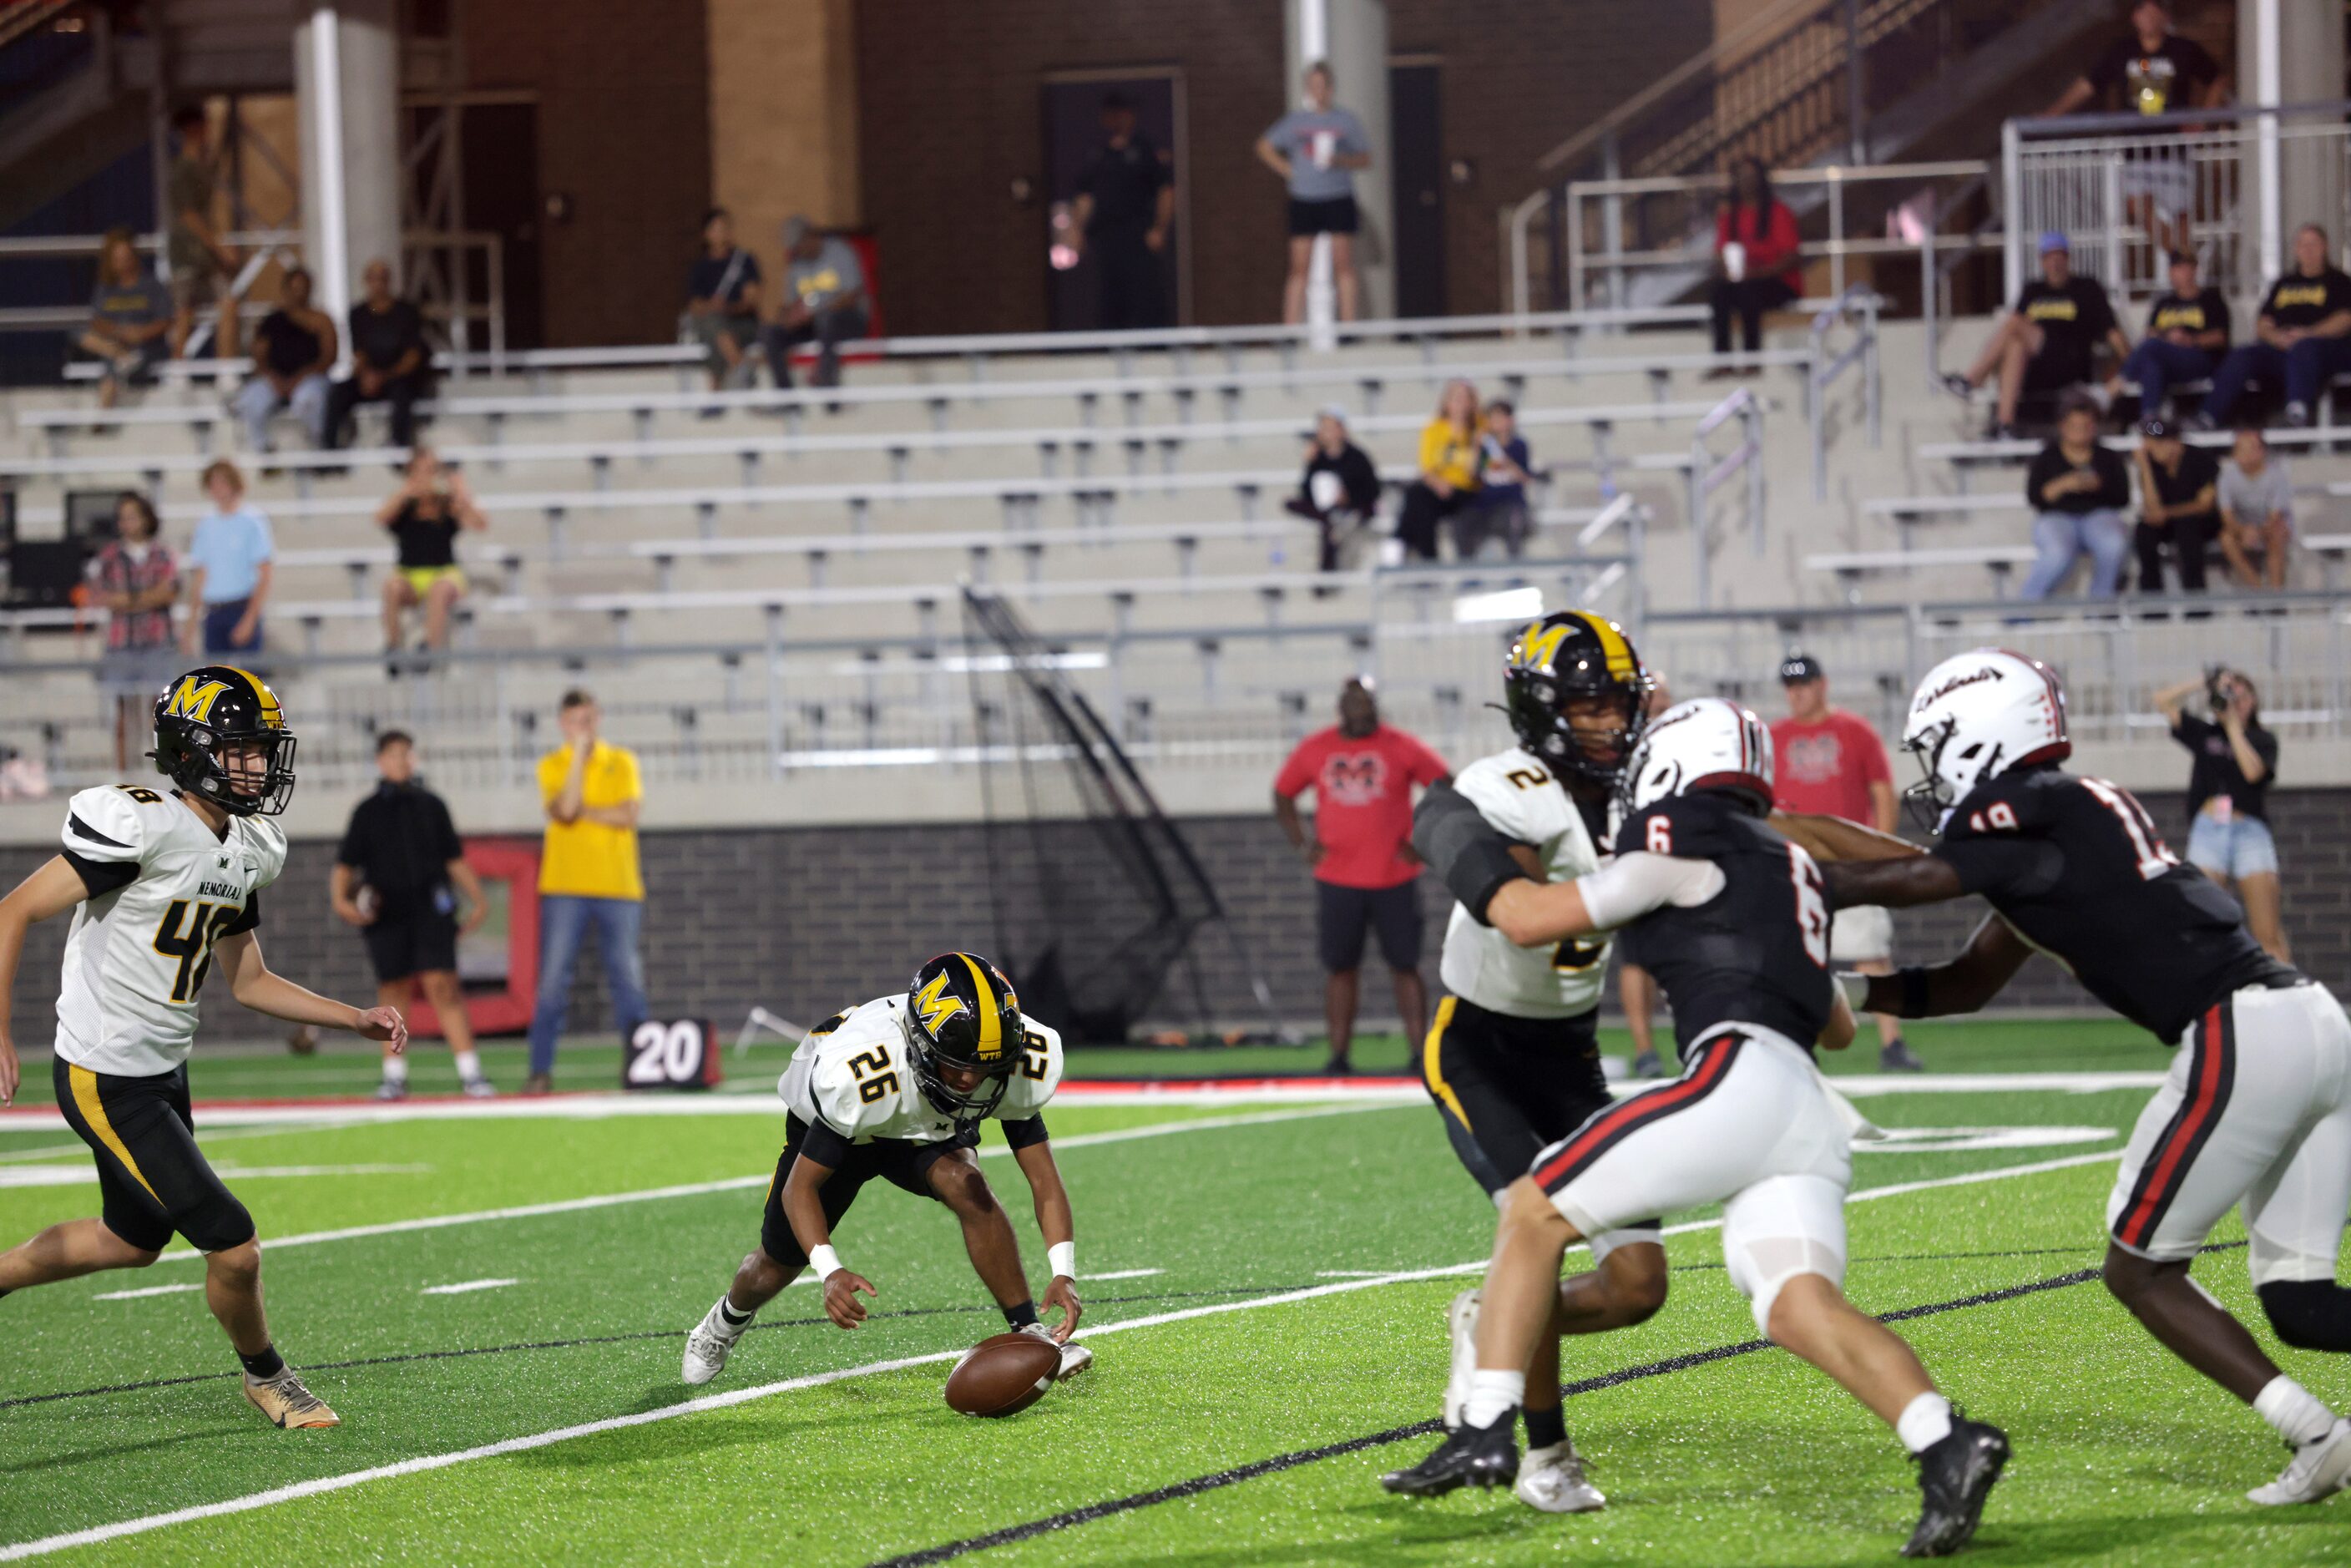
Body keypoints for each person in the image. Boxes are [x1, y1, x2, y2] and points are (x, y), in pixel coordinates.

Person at [1388, 698, 2010, 1556]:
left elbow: (1528, 918)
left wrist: (1443, 820)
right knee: (1797, 1305)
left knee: (1533, 1209)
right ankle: (1942, 1440)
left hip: (1736, 1079)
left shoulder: (1677, 842)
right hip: (1808, 1113)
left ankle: (1486, 1423)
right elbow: (1834, 1023)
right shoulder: (1784, 864)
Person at [1798, 649, 2351, 1510]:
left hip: (2245, 1030)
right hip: (2312, 1022)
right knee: (2303, 1306)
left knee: (2138, 1270)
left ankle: (2316, 1434)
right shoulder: (2053, 826)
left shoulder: (2030, 811)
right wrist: (1842, 989)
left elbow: (1906, 878)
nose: (1928, 771)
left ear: (1977, 736)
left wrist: (1750, 880)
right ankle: (2318, 1434)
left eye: (1935, 745)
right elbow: (1963, 984)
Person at [0, 666, 407, 1430]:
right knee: (236, 1245)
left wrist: (351, 1018)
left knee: (130, 1241)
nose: (258, 765)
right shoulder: (140, 823)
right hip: (104, 1072)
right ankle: (268, 1376)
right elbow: (12, 910)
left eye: (261, 750)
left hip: (160, 1069)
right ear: (190, 750)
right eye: (241, 749)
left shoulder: (245, 844)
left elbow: (247, 978)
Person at [1408, 610, 1670, 1515]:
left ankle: (1493, 1321)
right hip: (1477, 1045)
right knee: (1540, 1226)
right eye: (1586, 706)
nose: (1606, 723)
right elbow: (1438, 813)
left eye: (1616, 705)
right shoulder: (1518, 784)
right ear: (1543, 711)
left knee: (1639, 1286)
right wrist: (1504, 889)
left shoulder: (1647, 786)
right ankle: (1548, 1454)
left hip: (1568, 1055)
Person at [680, 952, 1090, 1387]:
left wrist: (1063, 1270)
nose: (971, 1082)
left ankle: (1029, 1330)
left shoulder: (1018, 1056)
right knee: (775, 1266)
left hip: (919, 1121)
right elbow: (799, 1189)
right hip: (848, 1125)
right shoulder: (858, 1072)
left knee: (969, 1187)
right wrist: (831, 1272)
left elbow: (1043, 1178)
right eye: (958, 1065)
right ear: (920, 1042)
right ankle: (723, 1324)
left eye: (986, 1067)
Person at [1272, 678, 1449, 1074]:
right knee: (1340, 967)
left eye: (1365, 703)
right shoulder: (1316, 748)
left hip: (1395, 876)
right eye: (1351, 703)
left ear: (1374, 707)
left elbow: (1447, 786)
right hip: (1337, 878)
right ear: (1340, 708)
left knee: (1405, 965)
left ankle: (1421, 1055)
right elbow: (1283, 794)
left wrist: (1423, 841)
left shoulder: (1401, 745)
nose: (1358, 709)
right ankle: (1338, 1056)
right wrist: (1303, 844)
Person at [1771, 654, 1921, 1072]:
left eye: (1803, 684)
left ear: (1823, 685)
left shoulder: (1854, 730)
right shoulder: (1774, 736)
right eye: (1789, 685)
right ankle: (1795, 1043)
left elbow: (1882, 791)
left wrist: (1880, 849)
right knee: (1790, 956)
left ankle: (1892, 1042)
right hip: (1795, 862)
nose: (1796, 693)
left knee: (1870, 952)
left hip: (1848, 861)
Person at [332, 731, 492, 1100]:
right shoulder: (367, 811)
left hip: (430, 909)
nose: (401, 761)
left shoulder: (432, 805)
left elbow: (454, 857)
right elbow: (345, 866)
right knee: (392, 990)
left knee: (443, 985)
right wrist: (340, 900)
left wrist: (478, 898)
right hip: (387, 913)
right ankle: (394, 1076)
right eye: (393, 755)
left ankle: (472, 1074)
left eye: (407, 754)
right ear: (380, 761)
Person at [524, 690, 646, 1095]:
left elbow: (627, 815)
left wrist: (584, 813)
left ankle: (641, 1067)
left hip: (619, 886)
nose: (584, 728)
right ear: (563, 724)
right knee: (553, 980)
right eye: (576, 721)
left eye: (589, 720)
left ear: (599, 719)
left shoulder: (622, 760)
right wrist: (577, 756)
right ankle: (540, 1071)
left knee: (627, 978)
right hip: (565, 887)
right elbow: (565, 809)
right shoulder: (552, 765)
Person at [2042, 1, 2224, 260]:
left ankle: (2183, 268)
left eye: (2154, 12)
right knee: (2138, 208)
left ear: (2164, 16)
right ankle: (2182, 261)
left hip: (2173, 147)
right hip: (2137, 148)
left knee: (2181, 215)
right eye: (2143, 12)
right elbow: (2088, 85)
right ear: (2135, 17)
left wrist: (2204, 120)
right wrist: (2052, 114)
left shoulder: (2184, 50)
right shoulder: (2122, 51)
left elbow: (2216, 78)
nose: (2149, 18)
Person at [2156, 670, 2288, 963]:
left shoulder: (2262, 739)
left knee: (2267, 931)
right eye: (2231, 696)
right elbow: (2162, 700)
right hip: (2209, 831)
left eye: (2243, 696)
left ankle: (2286, 997)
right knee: (2206, 921)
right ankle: (2214, 1002)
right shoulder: (2205, 733)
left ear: (2254, 700)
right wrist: (2204, 682)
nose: (2237, 702)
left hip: (2249, 831)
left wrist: (2233, 727)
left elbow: (2253, 772)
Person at [1944, 234, 2129, 439]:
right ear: (2042, 261)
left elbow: (2112, 331)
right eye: (2050, 258)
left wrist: (2130, 362)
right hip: (2038, 365)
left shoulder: (2087, 288)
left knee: (2014, 323)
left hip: (2071, 359)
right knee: (2015, 345)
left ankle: (1972, 380)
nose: (2055, 263)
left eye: (2060, 257)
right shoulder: (2033, 290)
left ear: (2068, 259)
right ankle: (2005, 425)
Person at [2196, 225, 2351, 430]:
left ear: (2325, 247)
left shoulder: (2339, 281)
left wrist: (2307, 334)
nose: (2308, 249)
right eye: (2303, 244)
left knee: (2305, 347)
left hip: (2324, 351)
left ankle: (2297, 411)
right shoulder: (2284, 283)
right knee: (2244, 354)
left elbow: (2345, 319)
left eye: (2313, 244)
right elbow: (2263, 323)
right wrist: (2275, 337)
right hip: (2282, 349)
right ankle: (2208, 416)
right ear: (2296, 249)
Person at [1256, 60, 1372, 326]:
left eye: (1322, 86)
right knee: (1298, 268)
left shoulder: (1345, 121)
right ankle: (1291, 330)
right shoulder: (1296, 122)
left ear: (1330, 89)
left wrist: (1339, 160)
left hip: (1337, 196)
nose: (1318, 91)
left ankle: (1348, 327)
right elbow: (1264, 146)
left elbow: (1365, 158)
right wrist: (1287, 168)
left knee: (1343, 264)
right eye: (1313, 86)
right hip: (1304, 198)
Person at [86, 493, 180, 771]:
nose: (127, 523)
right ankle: (124, 772)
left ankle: (162, 770)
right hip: (122, 642)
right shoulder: (110, 557)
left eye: (132, 516)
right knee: (123, 711)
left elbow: (169, 592)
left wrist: (128, 599)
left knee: (158, 709)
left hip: (156, 640)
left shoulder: (163, 554)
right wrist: (145, 597)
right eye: (123, 518)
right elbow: (103, 596)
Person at [1069, 92, 1174, 331]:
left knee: (1146, 295)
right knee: (1109, 297)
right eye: (1113, 114)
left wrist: (1160, 228)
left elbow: (1165, 191)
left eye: (1124, 113)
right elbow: (1086, 196)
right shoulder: (1097, 153)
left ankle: (1152, 350)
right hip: (1106, 236)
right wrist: (1077, 230)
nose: (1119, 119)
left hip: (1139, 234)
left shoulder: (1146, 149)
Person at [2020, 395, 2132, 600]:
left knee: (2113, 543)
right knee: (2057, 552)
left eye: (2086, 425)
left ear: (2094, 427)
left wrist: (2099, 487)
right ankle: (2023, 608)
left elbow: (2123, 498)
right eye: (2074, 425)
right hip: (2057, 518)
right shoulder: (2047, 457)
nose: (2080, 431)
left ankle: (2100, 606)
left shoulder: (2107, 457)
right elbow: (2034, 497)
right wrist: (2063, 484)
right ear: (2062, 426)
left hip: (2098, 517)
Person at [377, 448, 487, 655]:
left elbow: (480, 524)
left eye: (431, 470)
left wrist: (461, 493)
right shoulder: (404, 506)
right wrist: (406, 492)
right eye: (421, 470)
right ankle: (393, 646)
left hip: (445, 572)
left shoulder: (447, 505)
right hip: (409, 574)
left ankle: (429, 648)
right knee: (391, 586)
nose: (427, 476)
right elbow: (380, 519)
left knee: (439, 589)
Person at [1620, 671, 1674, 1080]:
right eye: (1650, 709)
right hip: (1634, 855)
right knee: (1636, 955)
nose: (1656, 717)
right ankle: (1644, 1049)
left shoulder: (1683, 745)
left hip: (1678, 855)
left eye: (1662, 709)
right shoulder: (1620, 750)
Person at [326, 259, 431, 451]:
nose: (378, 284)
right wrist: (366, 376)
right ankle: (330, 449)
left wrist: (385, 376)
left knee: (403, 394)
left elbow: (413, 355)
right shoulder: (359, 314)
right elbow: (359, 352)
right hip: (370, 377)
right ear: (366, 281)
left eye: (382, 279)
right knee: (338, 391)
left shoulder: (406, 312)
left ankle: (400, 446)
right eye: (373, 279)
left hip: (399, 377)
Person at [230, 267, 336, 453]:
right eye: (294, 288)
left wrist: (301, 377)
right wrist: (274, 378)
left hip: (310, 379)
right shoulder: (272, 321)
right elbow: (259, 357)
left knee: (308, 400)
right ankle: (263, 450)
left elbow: (329, 357)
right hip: (276, 379)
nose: (299, 293)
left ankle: (315, 447)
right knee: (251, 400)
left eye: (303, 288)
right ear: (285, 289)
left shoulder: (322, 320)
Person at [1708, 157, 1802, 368]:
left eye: (1751, 176)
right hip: (1743, 283)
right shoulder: (1729, 216)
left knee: (1749, 292)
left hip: (1778, 284)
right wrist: (1726, 272)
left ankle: (1752, 360)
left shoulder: (1779, 212)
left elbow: (1791, 256)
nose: (1747, 182)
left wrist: (1757, 273)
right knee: (1719, 293)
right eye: (1741, 177)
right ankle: (1723, 363)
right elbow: (1720, 254)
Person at [2116, 250, 2231, 418]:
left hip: (2199, 358)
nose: (2179, 272)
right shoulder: (2164, 302)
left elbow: (2220, 337)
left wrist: (2189, 339)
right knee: (2151, 365)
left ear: (2194, 269)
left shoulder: (2210, 299)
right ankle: (2151, 423)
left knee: (2152, 348)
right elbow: (2150, 333)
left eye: (2184, 267)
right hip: (2167, 358)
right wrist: (2168, 337)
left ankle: (2117, 383)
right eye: (2175, 268)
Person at [763, 216, 869, 392]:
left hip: (848, 320)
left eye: (799, 245)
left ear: (810, 236)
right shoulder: (796, 266)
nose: (797, 251)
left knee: (826, 319)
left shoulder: (840, 251)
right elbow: (790, 304)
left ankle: (827, 384)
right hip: (812, 323)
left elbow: (851, 296)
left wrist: (814, 313)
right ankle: (786, 398)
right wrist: (788, 318)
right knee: (770, 333)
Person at [165, 106, 238, 360]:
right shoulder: (182, 169)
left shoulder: (200, 165)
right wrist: (219, 247)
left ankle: (226, 366)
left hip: (205, 250)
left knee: (227, 301)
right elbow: (189, 216)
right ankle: (178, 367)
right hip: (188, 249)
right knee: (185, 309)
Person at [181, 460, 274, 658]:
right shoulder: (205, 525)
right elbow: (200, 576)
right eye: (213, 483)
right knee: (217, 683)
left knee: (246, 683)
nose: (217, 488)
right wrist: (190, 625)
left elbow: (264, 574)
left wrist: (250, 618)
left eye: (222, 482)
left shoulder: (252, 521)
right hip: (214, 612)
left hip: (241, 606)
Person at [77, 229, 170, 409]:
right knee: (78, 334)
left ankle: (102, 415)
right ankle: (123, 356)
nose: (123, 264)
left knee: (113, 364)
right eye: (118, 259)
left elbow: (165, 321)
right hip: (115, 344)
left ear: (134, 257)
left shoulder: (152, 286)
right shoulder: (106, 288)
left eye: (126, 257)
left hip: (146, 347)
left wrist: (140, 333)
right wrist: (119, 332)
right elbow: (97, 322)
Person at [1284, 403, 1383, 570]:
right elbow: (1306, 493)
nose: (1326, 432)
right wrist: (1308, 463)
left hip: (1352, 508)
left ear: (1341, 430)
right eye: (1323, 428)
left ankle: (1327, 577)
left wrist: (1348, 498)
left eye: (1330, 427)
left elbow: (1372, 490)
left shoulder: (1357, 457)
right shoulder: (1318, 459)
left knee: (1331, 525)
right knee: (1296, 506)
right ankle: (1334, 524)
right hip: (1327, 511)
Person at [2131, 417, 2220, 596]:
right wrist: (2145, 468)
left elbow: (2204, 505)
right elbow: (2153, 509)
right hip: (2169, 523)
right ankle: (2152, 599)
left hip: (2202, 522)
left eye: (2156, 442)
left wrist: (2167, 513)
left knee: (2188, 527)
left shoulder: (2200, 460)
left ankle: (2196, 599)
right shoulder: (2151, 466)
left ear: (2175, 443)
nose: (2149, 448)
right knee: (2144, 531)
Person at [1395, 380, 1481, 561]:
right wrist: (1439, 484)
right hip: (1440, 488)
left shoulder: (1479, 429)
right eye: (1457, 399)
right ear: (1447, 403)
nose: (1461, 404)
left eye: (1466, 399)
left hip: (1468, 489)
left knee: (1416, 499)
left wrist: (1475, 442)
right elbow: (1426, 468)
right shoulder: (1433, 429)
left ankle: (1400, 541)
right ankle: (1428, 558)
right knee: (1418, 499)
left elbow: (1478, 471)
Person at [685, 208, 762, 395]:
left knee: (714, 331)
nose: (722, 233)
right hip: (712, 324)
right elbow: (695, 305)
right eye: (716, 229)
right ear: (706, 234)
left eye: (725, 228)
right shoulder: (700, 268)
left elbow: (750, 300)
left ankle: (716, 389)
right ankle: (739, 365)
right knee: (713, 324)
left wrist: (727, 308)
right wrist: (714, 307)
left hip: (742, 324)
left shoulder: (744, 261)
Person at [1455, 401, 1535, 559]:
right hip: (1484, 502)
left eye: (1500, 418)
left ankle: (1515, 567)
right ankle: (1468, 572)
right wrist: (1476, 448)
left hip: (1510, 502)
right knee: (1463, 519)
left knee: (1515, 521)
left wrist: (1505, 460)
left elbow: (1525, 478)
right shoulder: (1484, 447)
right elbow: (1471, 475)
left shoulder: (1519, 446)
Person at [2217, 426, 2293, 589]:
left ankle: (2276, 595)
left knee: (2277, 535)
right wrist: (2242, 530)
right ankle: (2256, 589)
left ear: (2261, 451)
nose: (2243, 453)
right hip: (2242, 528)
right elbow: (2227, 517)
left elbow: (2275, 516)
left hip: (2271, 527)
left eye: (2248, 448)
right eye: (2239, 449)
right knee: (2226, 539)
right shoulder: (2227, 477)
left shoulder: (2276, 476)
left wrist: (2257, 531)